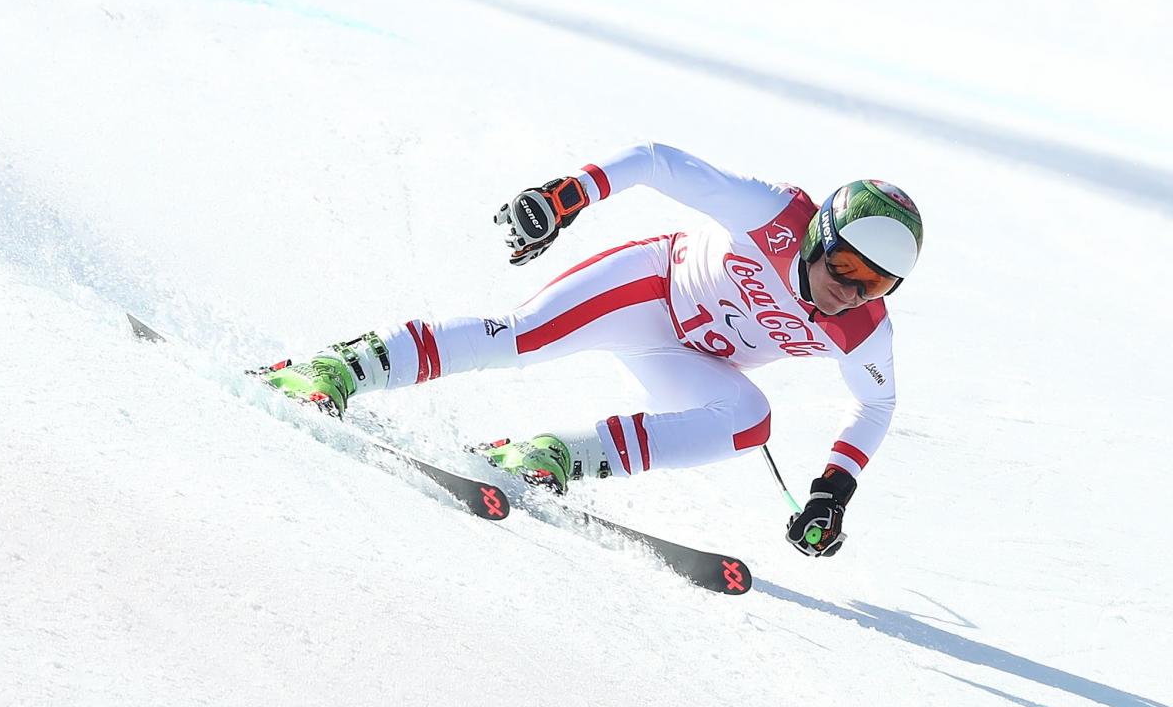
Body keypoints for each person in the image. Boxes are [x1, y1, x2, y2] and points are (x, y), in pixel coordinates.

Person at [263, 143, 924, 557]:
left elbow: (877, 402)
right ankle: (338, 366)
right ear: (819, 235)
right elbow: (657, 160)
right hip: (647, 290)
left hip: (693, 360)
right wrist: (568, 196)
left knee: (750, 422)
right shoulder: (771, 213)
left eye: (877, 283)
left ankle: (552, 454)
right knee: (520, 339)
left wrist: (832, 492)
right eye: (844, 267)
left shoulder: (863, 328)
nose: (850, 291)